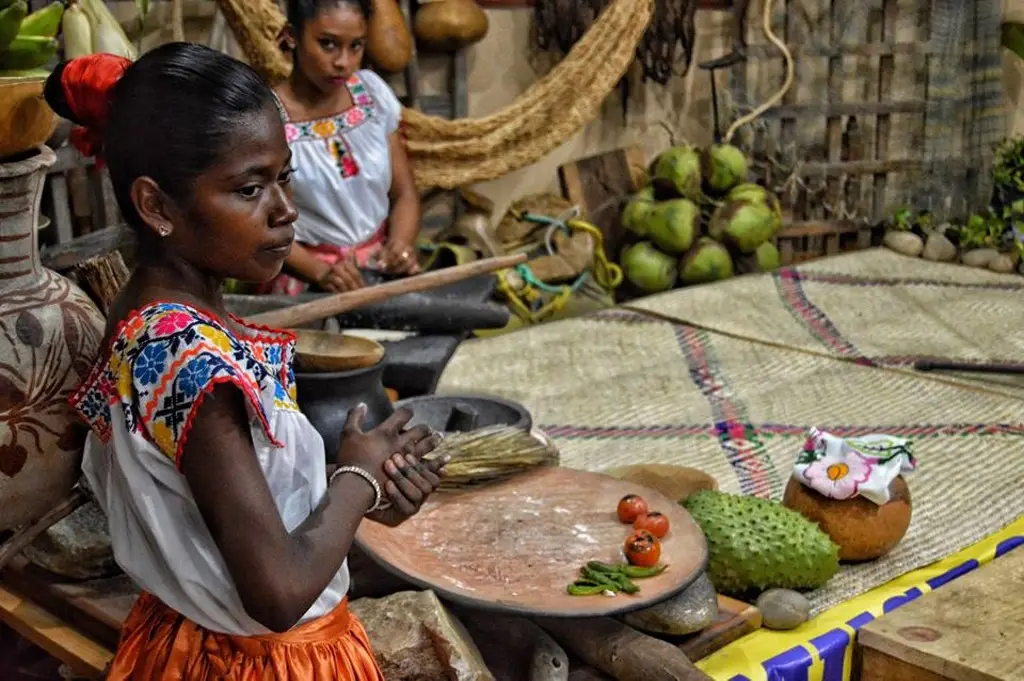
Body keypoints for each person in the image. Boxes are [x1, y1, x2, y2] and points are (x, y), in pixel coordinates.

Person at [52, 44, 447, 680]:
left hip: (188, 647)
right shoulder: (192, 361)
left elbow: (214, 507)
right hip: (263, 664)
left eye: (284, 177)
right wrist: (357, 478)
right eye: (249, 188)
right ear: (156, 206)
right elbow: (277, 594)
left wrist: (360, 492)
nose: (285, 209)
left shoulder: (150, 319)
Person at [261, 0, 422, 296]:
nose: (343, 62)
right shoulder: (266, 120)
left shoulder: (372, 94)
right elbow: (258, 226)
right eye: (328, 44)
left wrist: (400, 244)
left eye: (356, 46)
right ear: (292, 36)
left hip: (377, 273)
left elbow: (404, 194)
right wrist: (320, 272)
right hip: (305, 285)